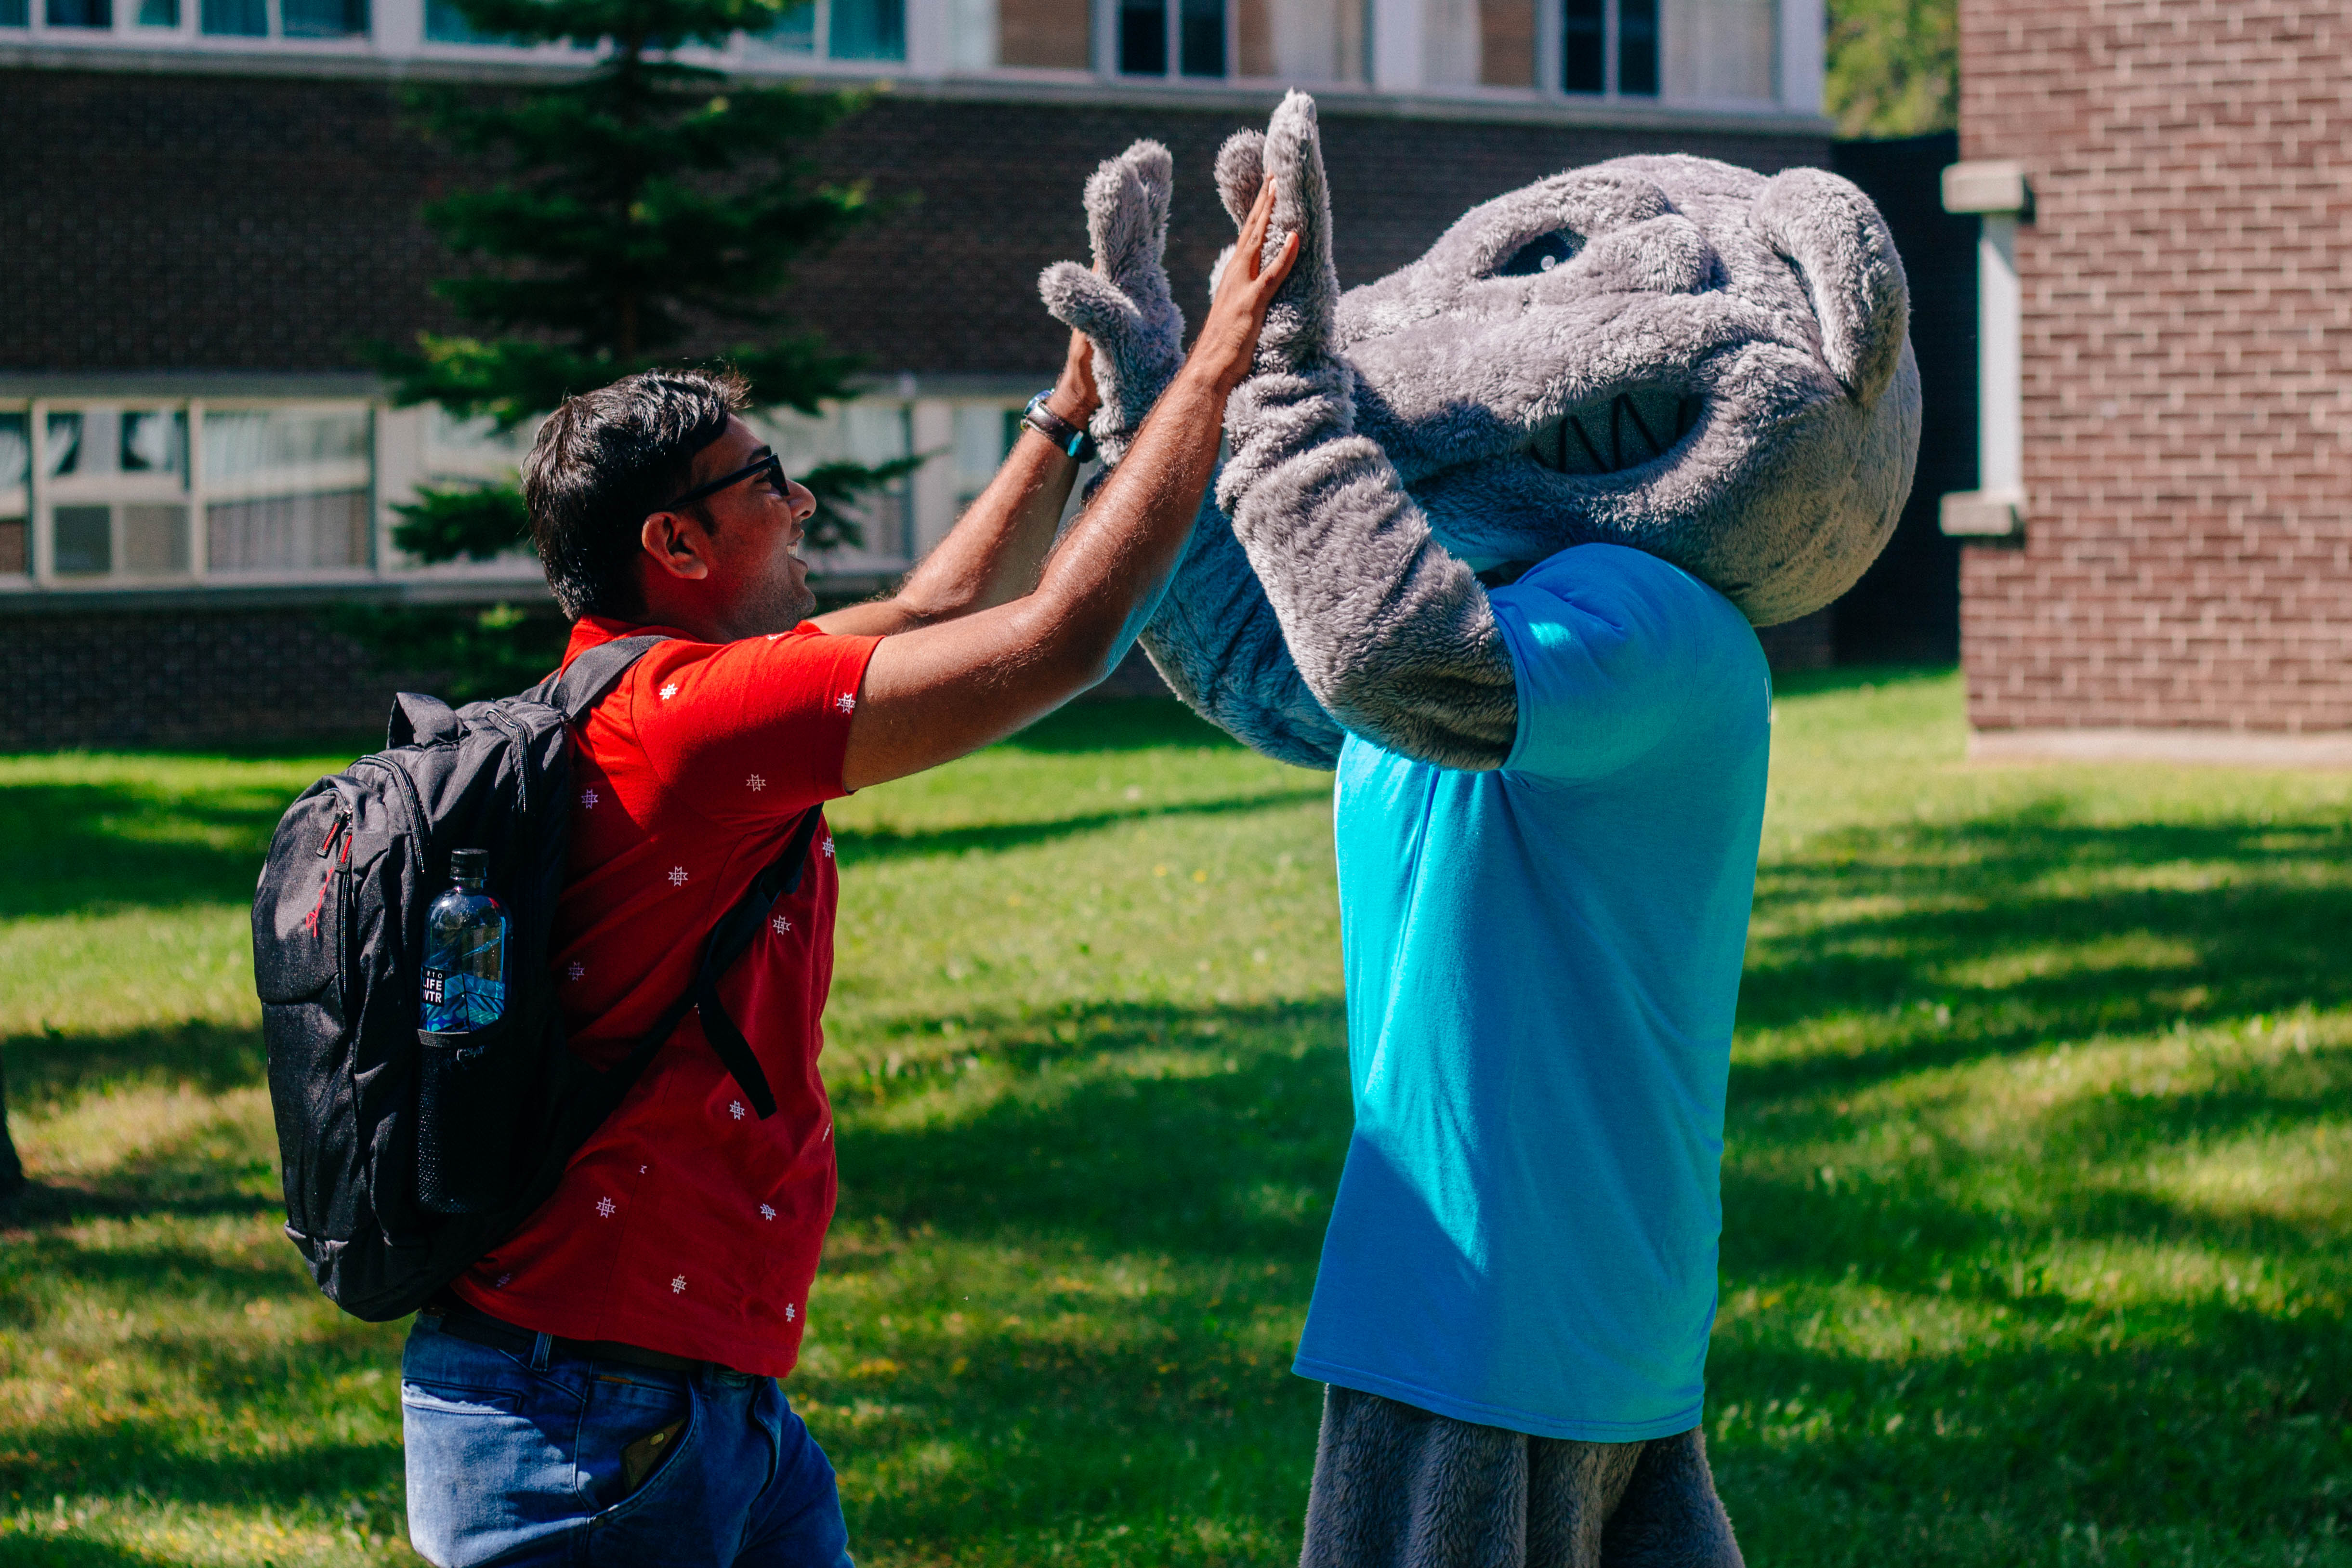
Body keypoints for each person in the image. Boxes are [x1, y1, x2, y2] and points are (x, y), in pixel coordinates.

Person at [396, 180, 1298, 1568]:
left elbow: (946, 610)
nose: (801, 498)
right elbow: (1059, 640)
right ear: (677, 544)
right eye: (767, 482)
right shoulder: (686, 724)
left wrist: (1062, 422)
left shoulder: (636, 688)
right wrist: (1218, 367)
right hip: (586, 1427)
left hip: (679, 1407)